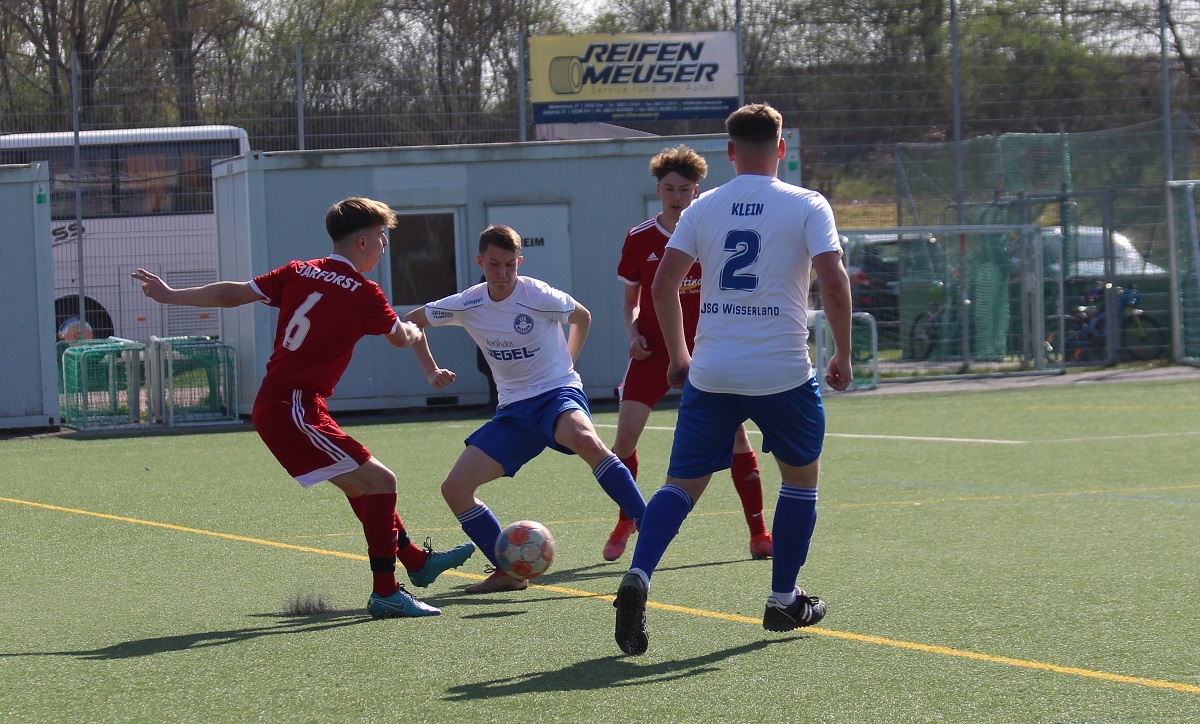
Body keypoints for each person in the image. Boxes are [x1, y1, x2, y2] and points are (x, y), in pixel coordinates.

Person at [131, 197, 476, 619]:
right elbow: (400, 338)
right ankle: (386, 593)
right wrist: (415, 335)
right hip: (292, 407)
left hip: (286, 401)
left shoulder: (298, 270)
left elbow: (233, 294)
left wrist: (170, 296)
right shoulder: (366, 293)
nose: (386, 245)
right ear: (364, 242)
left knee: (360, 486)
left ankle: (417, 564)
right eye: (383, 237)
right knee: (382, 481)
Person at [613, 103, 853, 656]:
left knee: (681, 484)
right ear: (781, 148)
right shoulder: (807, 203)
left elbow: (663, 284)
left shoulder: (704, 206)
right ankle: (783, 598)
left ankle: (640, 574)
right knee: (799, 481)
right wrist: (841, 352)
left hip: (713, 369)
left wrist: (679, 353)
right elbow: (834, 282)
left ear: (728, 152)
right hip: (783, 370)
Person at [404, 224, 647, 593]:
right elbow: (412, 321)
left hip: (556, 395)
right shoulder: (468, 303)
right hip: (513, 412)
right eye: (494, 265)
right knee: (454, 488)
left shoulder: (537, 294)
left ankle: (648, 524)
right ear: (480, 262)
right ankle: (511, 573)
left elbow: (582, 317)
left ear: (519, 262)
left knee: (585, 438)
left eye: (509, 266)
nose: (502, 274)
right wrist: (429, 369)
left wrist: (568, 364)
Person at [604, 144, 772, 563]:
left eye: (685, 189)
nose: (677, 197)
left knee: (736, 435)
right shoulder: (639, 239)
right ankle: (627, 518)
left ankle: (759, 533)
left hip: (706, 354)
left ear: (698, 192)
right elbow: (631, 303)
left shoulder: (714, 233)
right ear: (658, 191)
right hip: (653, 354)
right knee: (623, 440)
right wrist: (633, 335)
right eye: (668, 189)